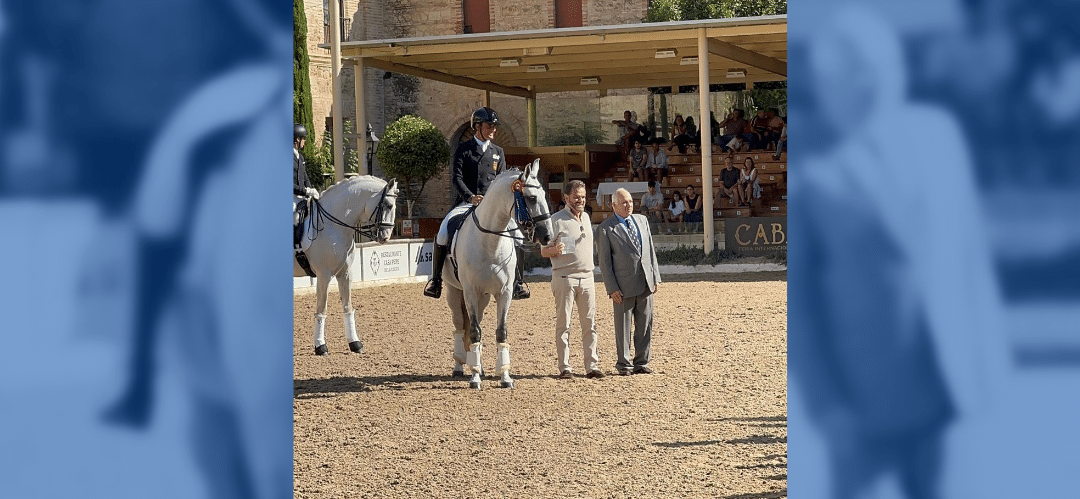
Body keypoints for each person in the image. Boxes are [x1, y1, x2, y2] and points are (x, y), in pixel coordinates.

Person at [424, 107, 529, 300]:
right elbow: (456, 178)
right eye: (489, 126)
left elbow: (502, 181)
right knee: (443, 232)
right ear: (477, 127)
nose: (493, 130)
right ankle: (436, 280)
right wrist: (470, 197)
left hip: (492, 208)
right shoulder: (463, 149)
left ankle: (518, 282)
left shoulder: (498, 152)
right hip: (467, 203)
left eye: (494, 126)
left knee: (518, 237)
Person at [539, 180, 603, 380]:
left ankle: (592, 366)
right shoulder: (555, 220)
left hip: (587, 277)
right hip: (565, 278)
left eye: (583, 197)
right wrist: (554, 250)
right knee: (564, 324)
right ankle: (565, 367)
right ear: (566, 198)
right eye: (576, 197)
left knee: (590, 324)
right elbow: (543, 251)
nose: (580, 200)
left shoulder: (586, 217)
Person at [596, 188, 661, 376]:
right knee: (623, 328)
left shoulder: (642, 220)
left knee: (645, 325)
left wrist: (655, 276)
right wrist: (611, 288)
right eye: (624, 202)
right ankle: (624, 364)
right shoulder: (605, 228)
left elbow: (650, 250)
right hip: (622, 287)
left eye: (631, 201)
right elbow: (605, 262)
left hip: (645, 282)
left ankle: (641, 362)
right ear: (613, 205)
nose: (629, 205)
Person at [293, 123, 319, 250]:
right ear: (297, 139)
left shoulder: (300, 157)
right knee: (295, 218)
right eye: (303, 139)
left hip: (302, 197)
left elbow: (305, 177)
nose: (305, 141)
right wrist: (306, 191)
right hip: (291, 198)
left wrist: (312, 190)